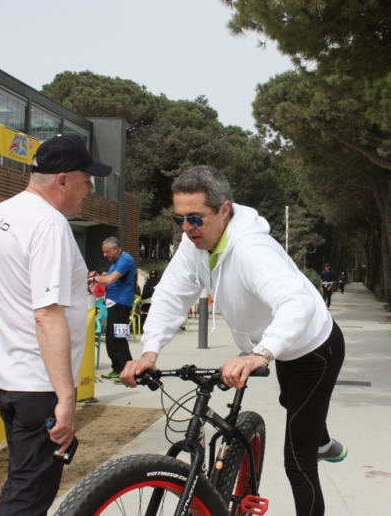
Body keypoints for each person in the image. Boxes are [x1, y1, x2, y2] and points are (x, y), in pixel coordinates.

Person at [119, 166, 347, 516]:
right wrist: (149, 352)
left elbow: (297, 303)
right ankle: (319, 433)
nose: (186, 228)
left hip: (313, 347)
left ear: (224, 209)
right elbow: (171, 296)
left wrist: (261, 353)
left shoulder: (252, 249)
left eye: (195, 218)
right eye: (179, 219)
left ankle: (321, 443)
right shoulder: (194, 243)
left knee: (298, 462)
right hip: (273, 342)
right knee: (291, 402)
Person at [0, 134, 112, 516]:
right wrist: (67, 398)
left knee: (21, 483)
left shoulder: (1, 213)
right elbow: (47, 315)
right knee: (29, 496)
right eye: (87, 180)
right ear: (63, 180)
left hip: (7, 376)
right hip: (38, 383)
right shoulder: (49, 224)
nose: (90, 188)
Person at [89, 237, 136, 382]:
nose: (105, 255)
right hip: (112, 302)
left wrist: (95, 278)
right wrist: (97, 277)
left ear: (116, 249)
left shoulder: (125, 259)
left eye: (107, 252)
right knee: (110, 339)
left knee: (118, 338)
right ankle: (117, 368)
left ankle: (128, 371)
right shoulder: (115, 261)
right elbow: (107, 279)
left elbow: (109, 280)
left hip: (121, 303)